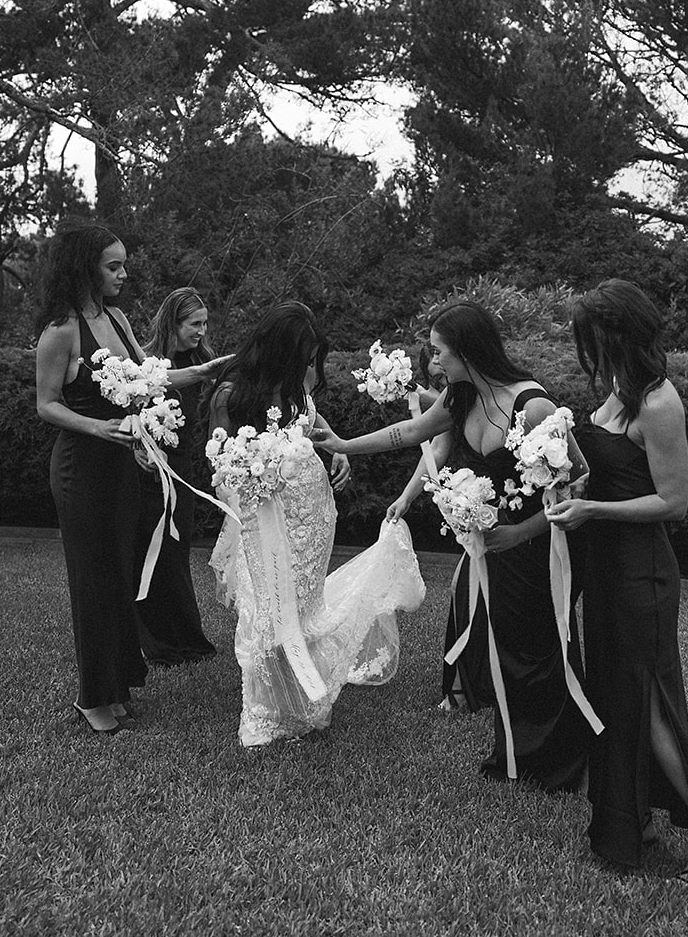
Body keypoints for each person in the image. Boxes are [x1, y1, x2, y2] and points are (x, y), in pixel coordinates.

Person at [322, 302, 593, 792]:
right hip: (489, 547)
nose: (435, 362)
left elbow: (581, 478)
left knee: (541, 653)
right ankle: (514, 754)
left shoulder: (532, 406)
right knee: (503, 651)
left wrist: (519, 533)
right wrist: (341, 444)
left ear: (467, 351)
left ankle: (562, 763)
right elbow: (405, 433)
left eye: (441, 351)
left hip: (534, 547)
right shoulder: (459, 398)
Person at [546, 279, 688, 885]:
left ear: (621, 337)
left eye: (595, 342)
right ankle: (634, 820)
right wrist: (574, 487)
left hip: (642, 575)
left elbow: (673, 502)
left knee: (651, 705)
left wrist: (594, 511)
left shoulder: (659, 403)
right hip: (605, 571)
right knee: (615, 700)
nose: (589, 355)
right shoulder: (614, 393)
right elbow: (613, 473)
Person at [209, 302, 425, 749]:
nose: (310, 368)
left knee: (303, 603)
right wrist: (248, 497)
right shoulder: (230, 394)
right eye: (304, 358)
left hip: (313, 509)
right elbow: (218, 462)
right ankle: (266, 710)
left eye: (312, 360)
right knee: (267, 606)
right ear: (277, 350)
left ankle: (296, 697)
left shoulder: (297, 381)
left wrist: (338, 449)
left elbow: (309, 414)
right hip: (262, 515)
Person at [35, 223, 149, 735]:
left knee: (119, 577)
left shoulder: (119, 319)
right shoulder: (60, 331)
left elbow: (152, 379)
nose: (123, 274)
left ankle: (117, 687)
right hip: (81, 467)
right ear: (85, 268)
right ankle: (92, 699)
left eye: (123, 264)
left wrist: (209, 369)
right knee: (92, 580)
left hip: (123, 465)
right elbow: (47, 405)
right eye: (113, 266)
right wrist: (98, 427)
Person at [133, 289, 229, 664]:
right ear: (173, 323)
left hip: (181, 471)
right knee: (148, 554)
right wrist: (135, 449)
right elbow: (125, 410)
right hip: (145, 473)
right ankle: (155, 642)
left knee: (176, 555)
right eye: (195, 323)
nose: (202, 331)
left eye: (205, 323)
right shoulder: (145, 365)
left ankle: (185, 638)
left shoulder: (203, 363)